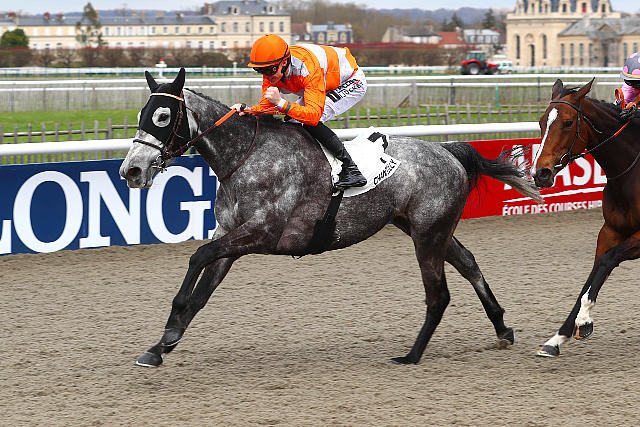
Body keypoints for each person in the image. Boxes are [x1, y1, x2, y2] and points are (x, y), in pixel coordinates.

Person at [231, 34, 367, 191]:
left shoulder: (307, 68)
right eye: (259, 70)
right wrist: (248, 110)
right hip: (321, 83)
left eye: (269, 70)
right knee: (291, 121)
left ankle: (351, 169)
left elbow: (313, 116)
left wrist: (281, 103)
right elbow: (266, 108)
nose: (266, 76)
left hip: (349, 81)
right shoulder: (272, 69)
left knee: (307, 121)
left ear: (284, 62)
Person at [618, 52, 640, 121]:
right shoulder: (629, 88)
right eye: (631, 83)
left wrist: (636, 114)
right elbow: (625, 98)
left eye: (637, 84)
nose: (634, 86)